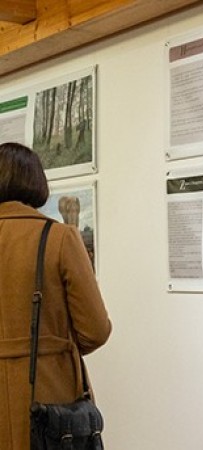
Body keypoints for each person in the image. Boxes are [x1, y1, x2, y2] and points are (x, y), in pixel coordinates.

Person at [0, 142, 112, 449]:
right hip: (49, 401)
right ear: (37, 183)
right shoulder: (60, 238)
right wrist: (53, 346)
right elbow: (96, 330)